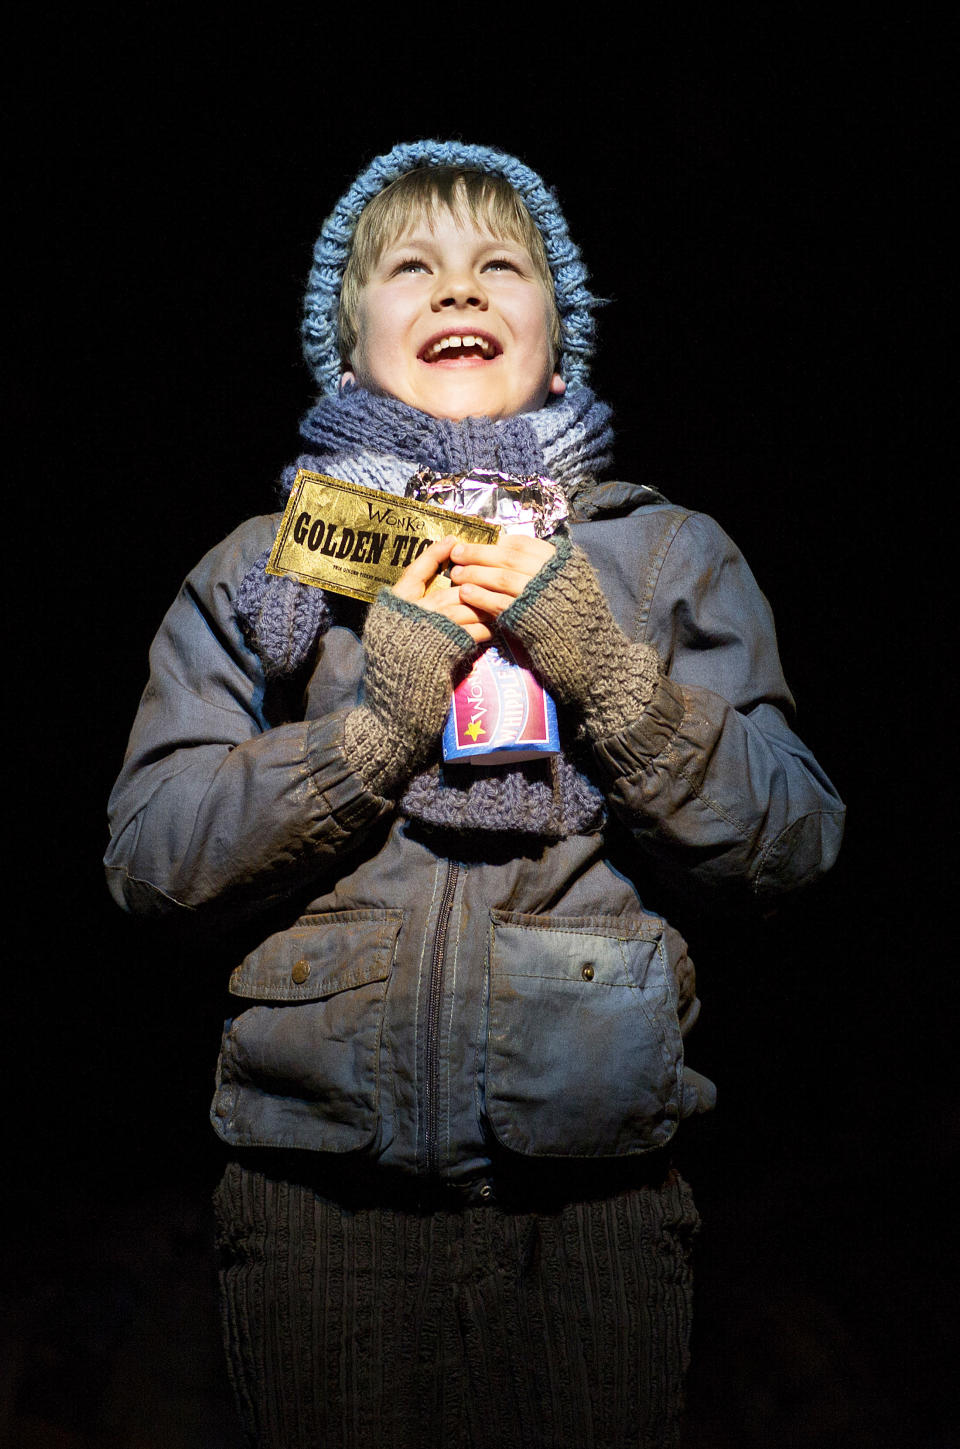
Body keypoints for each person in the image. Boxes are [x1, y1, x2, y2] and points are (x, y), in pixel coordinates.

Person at [105, 139, 844, 1448]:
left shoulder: (665, 557)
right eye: (414, 267)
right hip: (314, 1211)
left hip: (596, 1212)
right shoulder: (269, 572)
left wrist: (612, 677)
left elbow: (792, 841)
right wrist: (374, 722)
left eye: (503, 266)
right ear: (348, 349)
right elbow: (152, 854)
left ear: (560, 347)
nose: (460, 288)